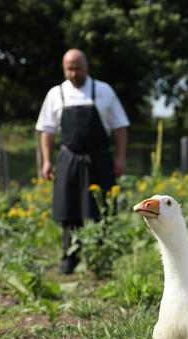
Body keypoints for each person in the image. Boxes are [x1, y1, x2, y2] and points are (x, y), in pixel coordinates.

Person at [36, 49, 130, 273]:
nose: (73, 73)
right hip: (69, 157)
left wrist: (120, 157)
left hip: (100, 157)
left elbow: (120, 127)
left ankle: (102, 257)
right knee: (69, 210)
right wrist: (47, 161)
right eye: (69, 68)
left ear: (86, 66)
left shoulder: (104, 91)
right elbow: (47, 130)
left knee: (103, 209)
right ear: (63, 68)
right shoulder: (55, 94)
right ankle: (70, 257)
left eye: (77, 68)